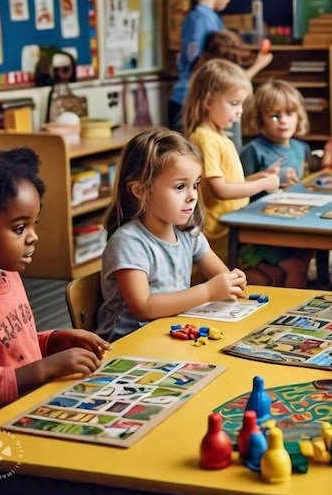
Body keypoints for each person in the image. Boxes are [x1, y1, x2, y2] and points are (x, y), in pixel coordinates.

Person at [0, 146, 110, 495]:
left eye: (34, 223)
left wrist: (50, 341)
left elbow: (8, 348)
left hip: (23, 413)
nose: (33, 236)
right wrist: (46, 368)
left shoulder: (8, 274)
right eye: (19, 228)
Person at [96, 128, 247, 342]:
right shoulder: (128, 242)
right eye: (180, 187)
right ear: (140, 191)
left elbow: (220, 277)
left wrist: (232, 280)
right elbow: (143, 308)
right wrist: (207, 292)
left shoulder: (188, 233)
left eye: (195, 185)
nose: (192, 196)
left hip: (171, 336)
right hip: (129, 344)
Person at [184, 58, 280, 265]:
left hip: (233, 224)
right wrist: (262, 184)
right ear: (208, 101)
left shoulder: (218, 135)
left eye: (241, 104)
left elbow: (228, 180)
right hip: (218, 232)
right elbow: (221, 191)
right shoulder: (205, 139)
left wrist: (258, 177)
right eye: (234, 103)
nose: (240, 111)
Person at [167, 0, 271, 131]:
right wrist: (257, 65)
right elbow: (202, 69)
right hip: (189, 104)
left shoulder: (209, 18)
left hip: (199, 102)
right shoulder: (200, 19)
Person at [239, 79, 314, 287]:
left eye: (289, 114)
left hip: (293, 222)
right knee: (296, 267)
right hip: (261, 230)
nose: (283, 121)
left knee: (309, 253)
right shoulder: (253, 150)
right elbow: (238, 187)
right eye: (274, 115)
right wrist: (270, 179)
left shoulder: (301, 148)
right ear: (259, 119)